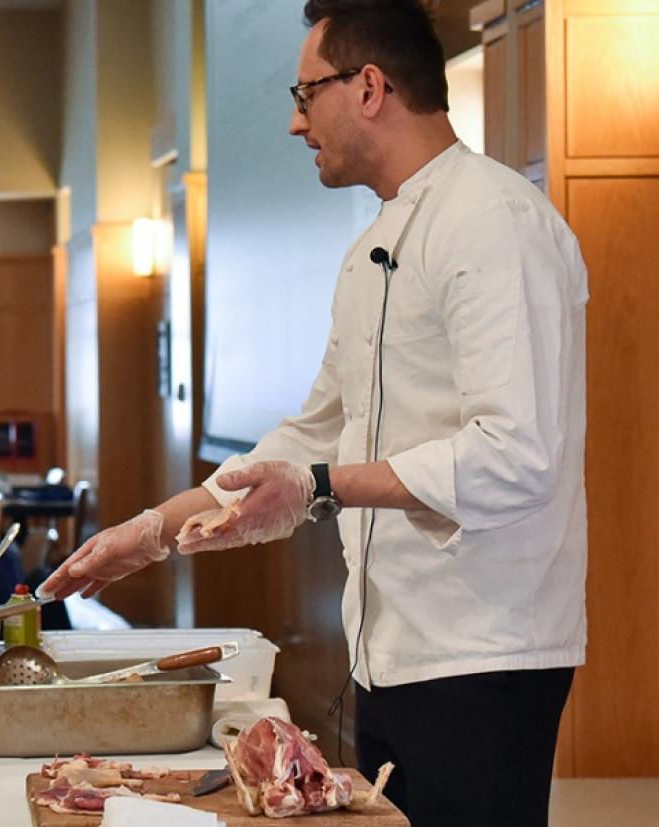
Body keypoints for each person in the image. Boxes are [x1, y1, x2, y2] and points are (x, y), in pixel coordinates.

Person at [42, 3, 587, 825]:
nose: (296, 124)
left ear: (369, 87)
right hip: (390, 649)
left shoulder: (495, 222)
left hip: (485, 649)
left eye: (306, 94)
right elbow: (312, 433)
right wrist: (151, 530)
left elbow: (516, 454)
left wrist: (320, 485)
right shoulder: (374, 246)